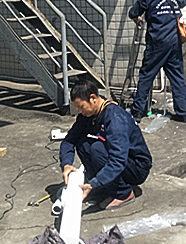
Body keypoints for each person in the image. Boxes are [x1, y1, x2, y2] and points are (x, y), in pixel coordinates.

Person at [59, 80, 152, 209]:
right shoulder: (87, 116)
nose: (79, 111)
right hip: (120, 160)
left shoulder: (115, 118)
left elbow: (118, 159)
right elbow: (69, 140)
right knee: (83, 144)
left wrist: (95, 182)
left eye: (81, 106)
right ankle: (103, 188)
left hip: (136, 167)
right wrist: (66, 164)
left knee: (97, 149)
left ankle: (124, 193)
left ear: (93, 99)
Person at [128, 0, 186, 123]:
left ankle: (137, 112)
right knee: (177, 78)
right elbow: (183, 1)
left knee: (146, 76)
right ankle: (183, 113)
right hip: (174, 43)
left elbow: (133, 12)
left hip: (156, 43)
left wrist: (138, 19)